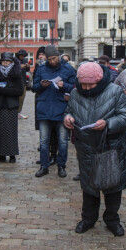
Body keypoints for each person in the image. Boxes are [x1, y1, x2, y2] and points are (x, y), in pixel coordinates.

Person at [64, 62, 126, 236]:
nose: (86, 88)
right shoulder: (74, 93)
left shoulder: (115, 91)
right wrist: (68, 118)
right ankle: (88, 219)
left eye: (90, 84)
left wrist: (108, 124)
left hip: (111, 146)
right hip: (86, 146)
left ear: (99, 80)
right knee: (89, 187)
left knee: (112, 186)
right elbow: (69, 110)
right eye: (83, 84)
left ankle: (112, 220)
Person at [32, 45, 76, 178]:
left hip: (61, 108)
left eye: (54, 58)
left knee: (63, 141)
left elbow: (74, 88)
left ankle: (61, 166)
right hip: (44, 108)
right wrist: (41, 85)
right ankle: (44, 166)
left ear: (58, 55)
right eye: (49, 59)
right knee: (44, 141)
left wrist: (65, 86)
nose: (52, 61)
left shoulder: (68, 68)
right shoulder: (41, 68)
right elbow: (34, 87)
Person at [0, 52, 25, 162]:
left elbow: (19, 91)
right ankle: (1, 154)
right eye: (3, 61)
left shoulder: (16, 73)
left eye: (7, 61)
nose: (5, 63)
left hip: (10, 106)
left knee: (10, 131)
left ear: (12, 62)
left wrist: (4, 90)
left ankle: (12, 154)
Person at [16, 49, 31, 119]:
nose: (22, 57)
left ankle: (19, 112)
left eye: (23, 56)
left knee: (22, 97)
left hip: (23, 81)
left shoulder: (25, 60)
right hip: (16, 82)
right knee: (16, 97)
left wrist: (27, 67)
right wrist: (20, 66)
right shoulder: (15, 60)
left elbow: (27, 70)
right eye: (21, 55)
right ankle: (14, 111)